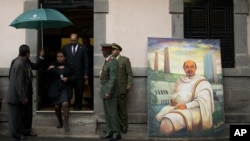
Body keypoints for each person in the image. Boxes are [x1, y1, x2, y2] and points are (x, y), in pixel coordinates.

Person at [156, 60, 214, 135]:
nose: (189, 69)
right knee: (160, 116)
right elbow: (174, 93)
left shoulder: (202, 82)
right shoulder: (180, 80)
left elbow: (203, 100)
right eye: (187, 67)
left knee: (167, 122)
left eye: (191, 67)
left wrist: (186, 106)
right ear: (184, 69)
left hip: (194, 110)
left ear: (195, 68)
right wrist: (172, 100)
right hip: (177, 106)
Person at [7, 44, 44, 141]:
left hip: (27, 91)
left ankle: (26, 131)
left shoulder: (26, 61)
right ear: (27, 53)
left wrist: (41, 57)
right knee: (18, 116)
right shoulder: (18, 63)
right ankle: (19, 134)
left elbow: (35, 66)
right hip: (20, 94)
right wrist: (22, 97)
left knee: (27, 113)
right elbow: (16, 81)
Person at [45, 51, 76, 132]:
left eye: (61, 56)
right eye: (58, 56)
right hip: (55, 89)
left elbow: (74, 76)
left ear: (64, 57)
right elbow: (45, 74)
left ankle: (66, 123)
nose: (59, 58)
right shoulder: (53, 66)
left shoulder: (69, 66)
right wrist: (48, 69)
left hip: (65, 88)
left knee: (65, 104)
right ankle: (60, 121)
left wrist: (67, 79)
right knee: (56, 107)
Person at [99, 44, 121, 141]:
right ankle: (109, 131)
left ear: (107, 51)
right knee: (108, 113)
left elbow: (114, 78)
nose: (102, 52)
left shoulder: (112, 61)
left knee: (112, 113)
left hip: (110, 92)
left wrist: (109, 91)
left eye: (103, 51)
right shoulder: (107, 60)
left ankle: (116, 133)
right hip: (105, 90)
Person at [62, 33, 88, 111]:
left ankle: (77, 107)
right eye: (72, 40)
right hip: (69, 74)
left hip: (79, 74)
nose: (73, 42)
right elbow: (62, 58)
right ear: (70, 39)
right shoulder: (65, 47)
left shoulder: (83, 48)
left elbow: (86, 61)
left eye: (75, 40)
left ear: (78, 39)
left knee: (79, 91)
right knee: (68, 90)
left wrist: (86, 73)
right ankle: (67, 106)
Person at [111, 43, 133, 134]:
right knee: (113, 109)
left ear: (118, 51)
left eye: (113, 50)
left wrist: (129, 84)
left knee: (122, 109)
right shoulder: (110, 60)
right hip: (112, 89)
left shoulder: (124, 60)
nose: (112, 51)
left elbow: (129, 73)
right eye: (111, 50)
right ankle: (115, 127)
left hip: (121, 88)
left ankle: (124, 126)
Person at [82, 37, 94, 109]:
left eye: (86, 41)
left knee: (92, 88)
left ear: (89, 41)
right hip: (82, 71)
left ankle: (92, 104)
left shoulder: (92, 48)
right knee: (80, 87)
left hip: (90, 70)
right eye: (84, 41)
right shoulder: (81, 48)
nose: (85, 43)